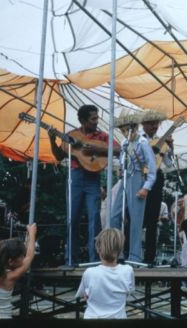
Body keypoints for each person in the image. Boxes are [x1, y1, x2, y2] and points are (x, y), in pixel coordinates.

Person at [49, 104, 119, 265]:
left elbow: (118, 149)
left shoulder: (101, 135)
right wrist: (52, 140)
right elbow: (59, 156)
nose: (97, 121)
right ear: (83, 121)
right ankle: (71, 260)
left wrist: (96, 148)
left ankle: (94, 260)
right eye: (93, 119)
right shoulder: (71, 135)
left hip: (93, 178)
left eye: (97, 117)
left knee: (95, 217)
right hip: (75, 178)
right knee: (72, 218)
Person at [110, 110, 156, 264]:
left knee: (136, 220)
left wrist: (146, 187)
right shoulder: (124, 143)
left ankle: (135, 256)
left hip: (137, 178)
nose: (125, 133)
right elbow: (122, 161)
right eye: (122, 130)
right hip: (124, 179)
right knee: (114, 216)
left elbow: (151, 168)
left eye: (127, 130)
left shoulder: (143, 143)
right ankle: (115, 252)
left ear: (135, 128)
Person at [0, 224, 37, 319]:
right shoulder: (10, 277)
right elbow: (29, 256)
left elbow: (4, 251)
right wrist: (32, 233)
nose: (23, 258)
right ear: (10, 261)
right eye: (21, 256)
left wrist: (27, 237)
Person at [75, 228, 134, 319]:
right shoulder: (128, 270)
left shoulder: (89, 272)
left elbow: (83, 295)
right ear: (120, 249)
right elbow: (129, 292)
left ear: (98, 249)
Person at [140, 109, 174, 265]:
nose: (154, 126)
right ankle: (132, 254)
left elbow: (168, 164)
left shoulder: (162, 142)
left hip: (157, 178)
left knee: (153, 219)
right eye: (151, 123)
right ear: (144, 125)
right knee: (137, 217)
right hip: (140, 177)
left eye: (156, 123)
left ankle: (149, 257)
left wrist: (170, 148)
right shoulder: (138, 139)